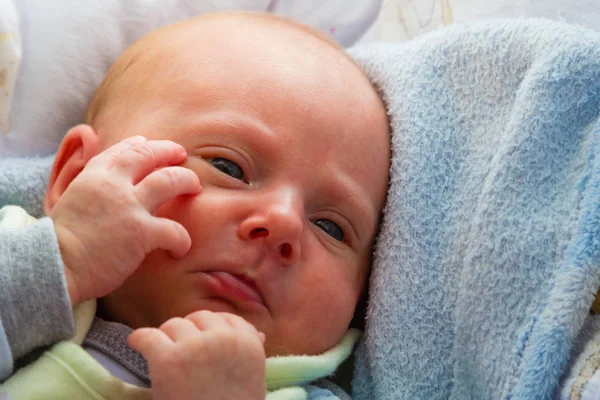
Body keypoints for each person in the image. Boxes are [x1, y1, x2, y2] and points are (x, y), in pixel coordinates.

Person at [0, 11, 390, 399]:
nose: (283, 221)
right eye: (228, 167)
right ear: (79, 175)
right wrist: (63, 261)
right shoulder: (17, 254)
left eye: (331, 227)